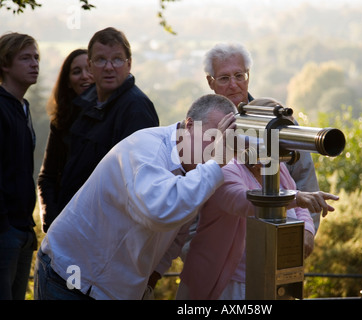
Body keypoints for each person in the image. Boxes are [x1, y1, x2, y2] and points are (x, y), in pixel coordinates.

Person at [34, 94, 237, 300]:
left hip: (112, 290)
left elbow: (178, 234)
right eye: (214, 137)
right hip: (69, 276)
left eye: (226, 140)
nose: (218, 147)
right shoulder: (146, 148)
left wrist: (153, 275)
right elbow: (160, 212)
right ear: (190, 125)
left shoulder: (195, 171)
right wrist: (215, 164)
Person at [177, 98, 339, 300]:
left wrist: (306, 230)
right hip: (225, 283)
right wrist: (299, 198)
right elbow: (244, 202)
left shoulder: (275, 165)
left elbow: (295, 195)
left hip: (269, 274)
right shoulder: (224, 166)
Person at [203, 42, 321, 230]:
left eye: (239, 76)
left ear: (248, 76)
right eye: (224, 78)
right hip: (224, 250)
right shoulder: (201, 129)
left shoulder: (280, 122)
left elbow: (304, 180)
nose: (234, 85)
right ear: (211, 82)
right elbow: (195, 194)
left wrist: (305, 232)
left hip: (283, 239)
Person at [54, 27, 159, 220]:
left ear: (129, 64)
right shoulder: (85, 104)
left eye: (117, 59)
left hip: (103, 228)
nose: (109, 67)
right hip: (74, 220)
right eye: (101, 59)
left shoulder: (136, 108)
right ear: (90, 64)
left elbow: (135, 182)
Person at [0, 32, 39, 300]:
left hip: (22, 231)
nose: (35, 64)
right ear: (5, 64)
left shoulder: (22, 107)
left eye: (36, 57)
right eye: (25, 58)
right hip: (6, 232)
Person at [37, 49, 94, 232]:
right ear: (68, 82)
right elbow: (47, 177)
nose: (84, 76)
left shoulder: (115, 116)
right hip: (66, 221)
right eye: (76, 72)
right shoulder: (61, 122)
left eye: (89, 69)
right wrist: (53, 223)